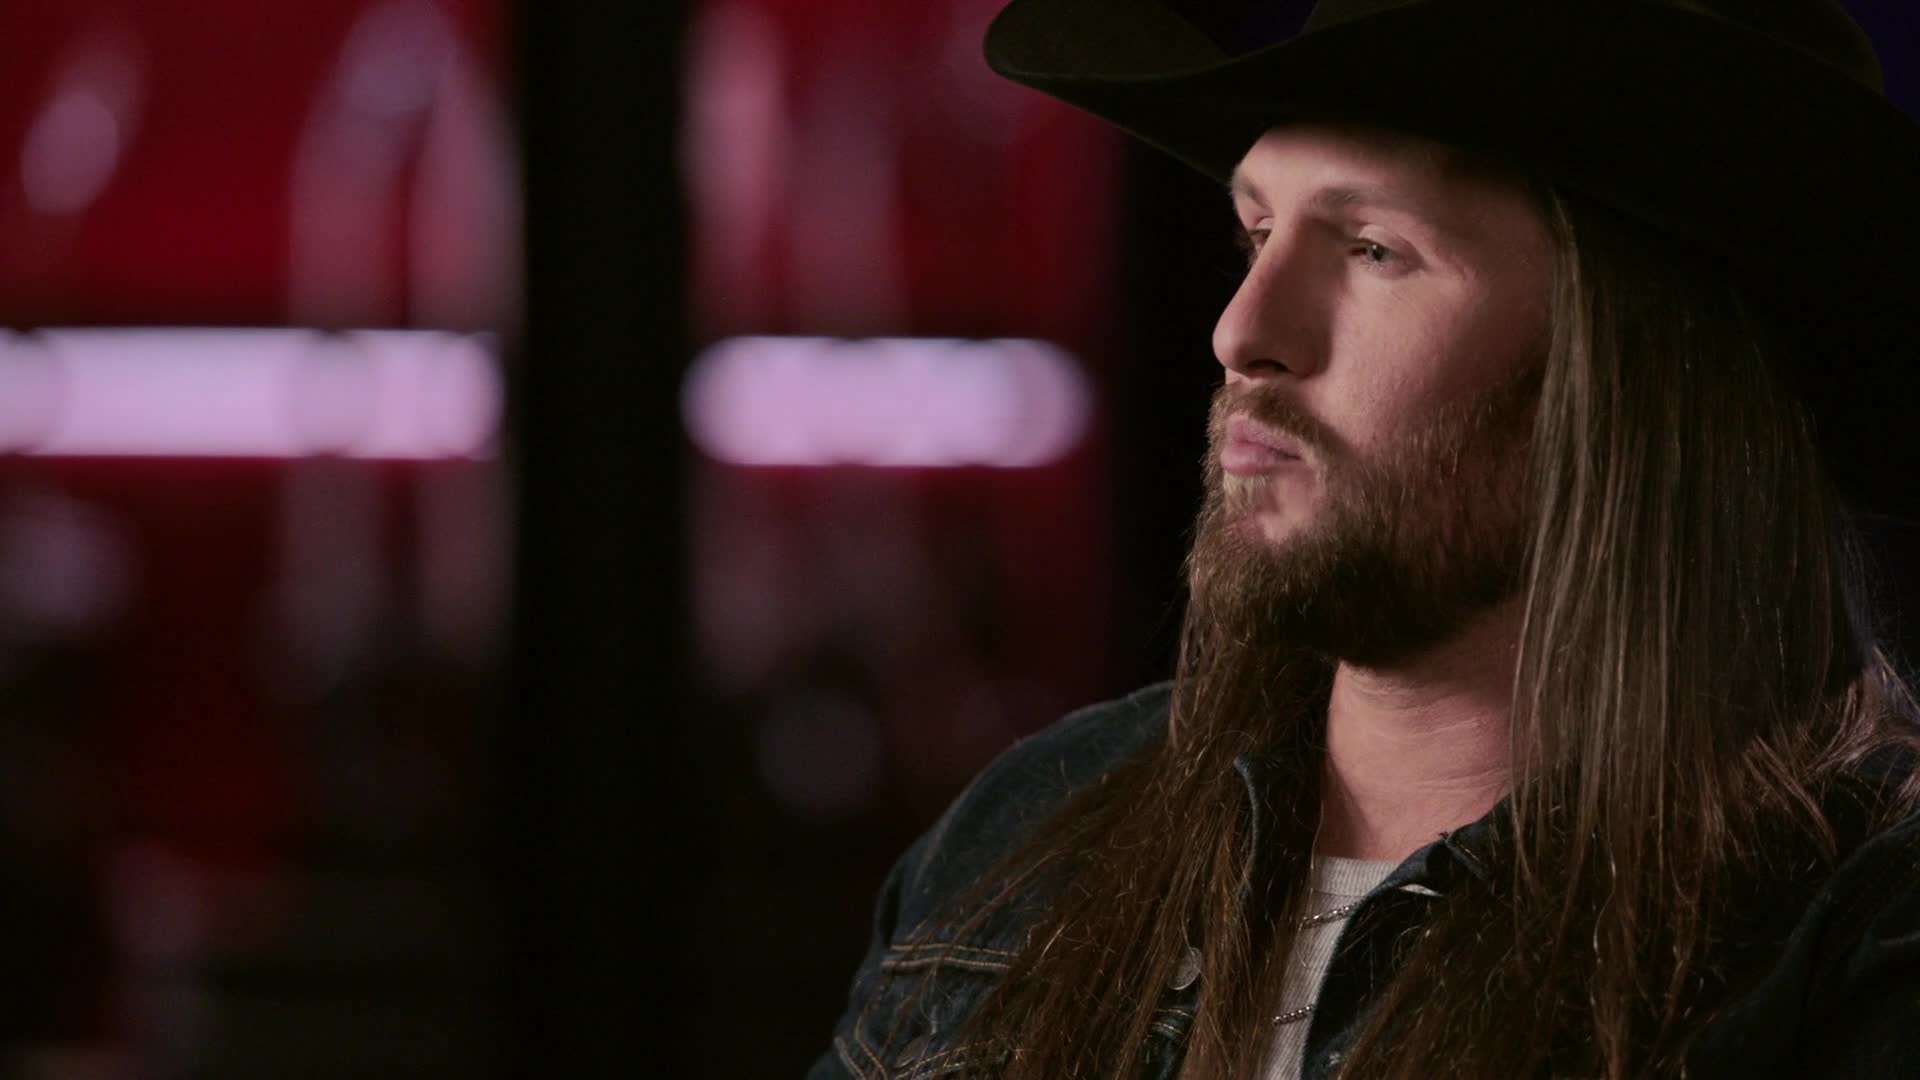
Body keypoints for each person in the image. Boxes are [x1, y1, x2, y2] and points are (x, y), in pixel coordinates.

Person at [810, 0, 1920, 1076]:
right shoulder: (1021, 843)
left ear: (1639, 380)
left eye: (1374, 249)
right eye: (1257, 232)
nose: (1242, 329)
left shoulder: (1859, 952)